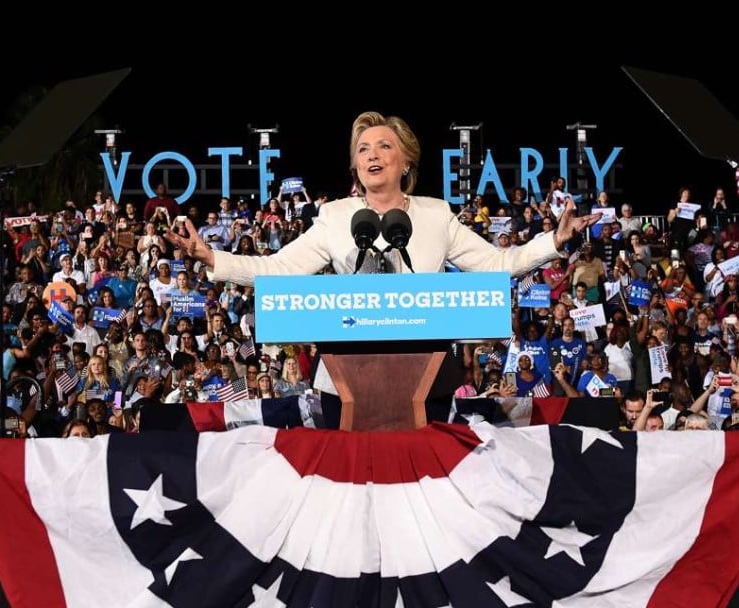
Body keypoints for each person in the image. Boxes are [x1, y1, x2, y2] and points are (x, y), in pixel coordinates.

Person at [165, 112, 598, 420]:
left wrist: (555, 242)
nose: (373, 154)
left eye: (384, 146)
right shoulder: (335, 216)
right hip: (345, 379)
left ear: (406, 160)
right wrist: (211, 258)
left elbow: (497, 262)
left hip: (425, 379)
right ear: (355, 164)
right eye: (363, 149)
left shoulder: (434, 214)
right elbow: (280, 268)